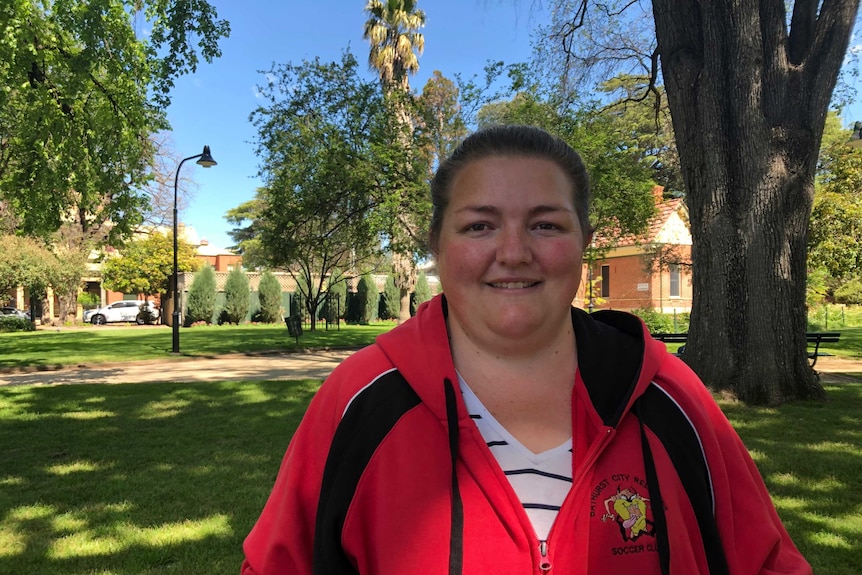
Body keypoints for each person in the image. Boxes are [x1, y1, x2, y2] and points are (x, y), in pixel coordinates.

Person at [241, 125, 811, 574]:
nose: (513, 252)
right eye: (479, 227)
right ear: (437, 247)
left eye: (544, 225)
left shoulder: (668, 396)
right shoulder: (359, 402)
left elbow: (766, 564)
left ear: (584, 244)